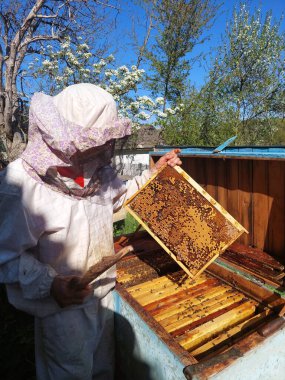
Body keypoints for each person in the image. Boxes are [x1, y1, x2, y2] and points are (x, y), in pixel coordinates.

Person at [0, 83, 181, 380]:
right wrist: (51, 285)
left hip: (104, 293)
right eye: (93, 139)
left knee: (102, 370)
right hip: (62, 309)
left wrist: (153, 173)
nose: (99, 146)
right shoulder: (19, 184)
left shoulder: (98, 172)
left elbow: (119, 199)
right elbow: (5, 256)